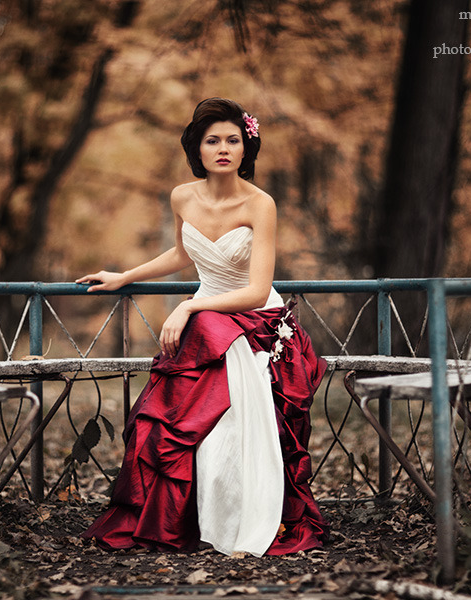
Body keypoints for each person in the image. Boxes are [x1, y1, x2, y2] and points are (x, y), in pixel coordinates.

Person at [77, 98, 329, 556]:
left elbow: (256, 291)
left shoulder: (261, 204)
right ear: (198, 148)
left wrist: (190, 307)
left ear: (246, 147)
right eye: (213, 140)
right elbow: (181, 255)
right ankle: (185, 517)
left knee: (218, 371)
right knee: (182, 409)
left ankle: (240, 515)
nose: (223, 148)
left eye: (233, 140)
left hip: (254, 320)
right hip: (209, 320)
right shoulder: (182, 196)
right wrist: (124, 276)